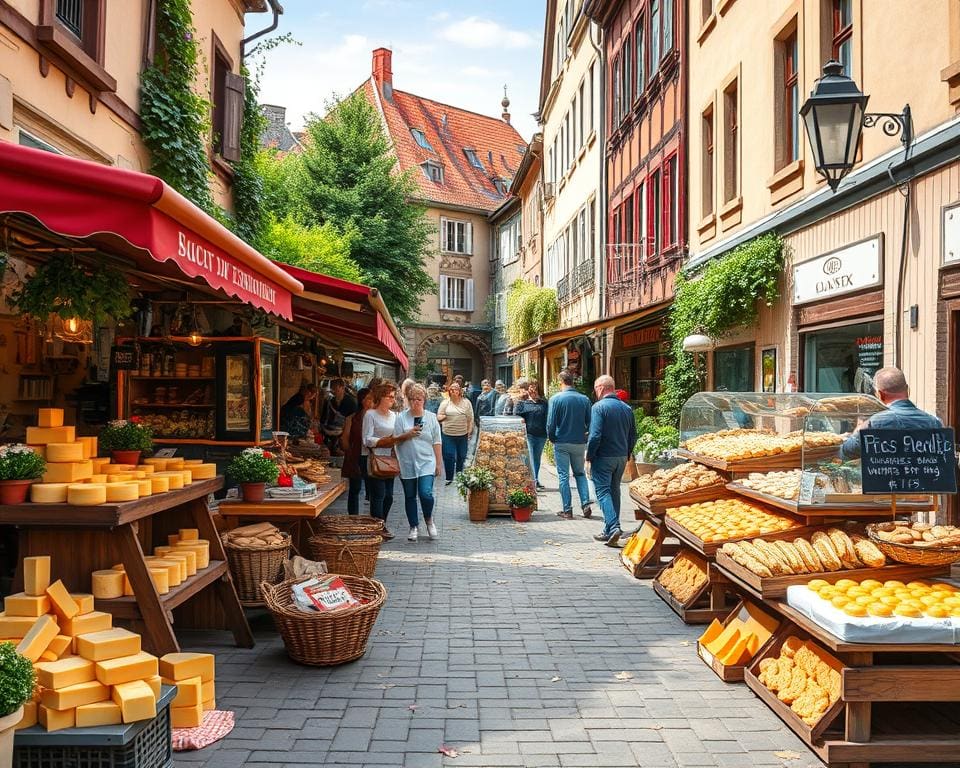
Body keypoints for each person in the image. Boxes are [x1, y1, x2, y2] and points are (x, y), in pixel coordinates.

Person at [840, 367, 943, 459]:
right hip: (923, 479)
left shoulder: (874, 423)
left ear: (879, 394)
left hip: (885, 480)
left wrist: (858, 428)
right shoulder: (935, 423)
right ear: (908, 390)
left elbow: (847, 451)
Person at [362, 384, 419, 535]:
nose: (393, 400)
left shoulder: (394, 416)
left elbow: (399, 435)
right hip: (376, 459)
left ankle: (382, 523)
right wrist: (384, 441)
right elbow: (366, 439)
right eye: (390, 397)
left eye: (394, 397)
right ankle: (377, 527)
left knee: (389, 496)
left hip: (391, 460)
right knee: (378, 495)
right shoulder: (370, 415)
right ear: (381, 397)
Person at [587, 375, 637, 547]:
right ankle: (610, 530)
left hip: (603, 456)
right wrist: (627, 453)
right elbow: (633, 435)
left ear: (600, 388)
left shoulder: (598, 408)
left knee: (602, 492)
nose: (595, 392)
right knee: (614, 490)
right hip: (621, 457)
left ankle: (613, 526)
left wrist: (589, 457)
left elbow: (595, 436)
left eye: (595, 389)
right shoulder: (626, 408)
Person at [395, 384, 443, 541]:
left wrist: (438, 463)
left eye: (419, 399)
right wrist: (407, 434)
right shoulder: (401, 417)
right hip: (407, 461)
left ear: (424, 400)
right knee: (410, 496)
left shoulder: (431, 417)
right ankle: (413, 526)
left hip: (427, 461)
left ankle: (429, 520)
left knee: (425, 493)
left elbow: (437, 441)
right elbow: (395, 440)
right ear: (408, 400)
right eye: (413, 399)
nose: (416, 402)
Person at [547, 371, 594, 519]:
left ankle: (567, 509)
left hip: (562, 441)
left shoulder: (556, 399)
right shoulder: (584, 399)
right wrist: (585, 435)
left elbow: (550, 424)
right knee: (580, 474)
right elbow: (591, 422)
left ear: (561, 381)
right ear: (572, 381)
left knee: (563, 475)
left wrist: (553, 438)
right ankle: (585, 503)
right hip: (579, 442)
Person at [340, 387, 372, 515]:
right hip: (356, 456)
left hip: (371, 457)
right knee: (355, 488)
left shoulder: (375, 416)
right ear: (363, 400)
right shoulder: (352, 418)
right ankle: (353, 517)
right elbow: (345, 439)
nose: (372, 401)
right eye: (369, 398)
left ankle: (373, 519)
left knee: (372, 489)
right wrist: (350, 453)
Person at [437, 382, 474, 484]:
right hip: (448, 434)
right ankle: (449, 477)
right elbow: (439, 416)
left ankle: (459, 475)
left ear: (460, 391)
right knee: (449, 455)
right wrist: (444, 417)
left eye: (456, 389)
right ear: (449, 391)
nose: (454, 391)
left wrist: (469, 431)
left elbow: (470, 418)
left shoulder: (466, 403)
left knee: (462, 455)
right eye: (452, 389)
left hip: (462, 434)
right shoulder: (445, 403)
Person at [514, 380, 549, 489]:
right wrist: (521, 420)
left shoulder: (543, 403)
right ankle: (530, 481)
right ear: (527, 390)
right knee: (529, 458)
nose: (533, 390)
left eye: (535, 388)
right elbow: (516, 416)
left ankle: (535, 480)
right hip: (528, 434)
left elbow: (548, 417)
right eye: (531, 388)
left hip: (541, 435)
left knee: (537, 459)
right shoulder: (522, 403)